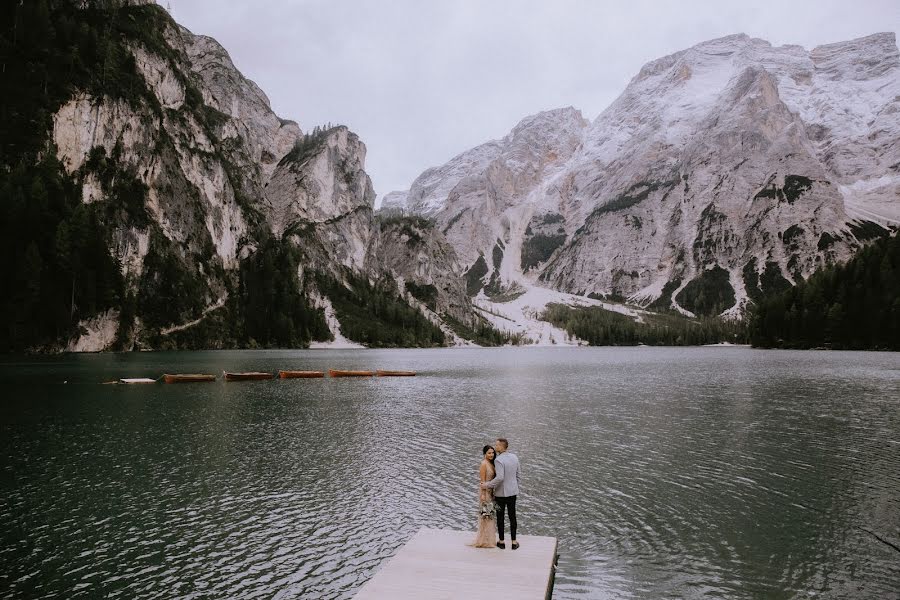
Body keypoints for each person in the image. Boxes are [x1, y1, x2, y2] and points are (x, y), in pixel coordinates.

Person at [481, 437, 520, 549]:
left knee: (500, 517)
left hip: (500, 495)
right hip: (513, 493)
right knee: (513, 517)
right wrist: (515, 487)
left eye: (497, 445)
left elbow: (500, 478)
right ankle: (514, 542)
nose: (495, 447)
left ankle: (501, 542)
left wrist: (487, 485)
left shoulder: (498, 460)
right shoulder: (515, 457)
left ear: (501, 447)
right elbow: (518, 475)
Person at [471, 445, 498, 548]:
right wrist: (482, 495)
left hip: (491, 492)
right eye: (489, 453)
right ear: (485, 454)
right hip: (485, 493)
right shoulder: (483, 464)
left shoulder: (491, 463)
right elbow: (482, 481)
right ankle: (483, 540)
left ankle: (488, 539)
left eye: (492, 453)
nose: (491, 455)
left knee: (490, 515)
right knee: (486, 516)